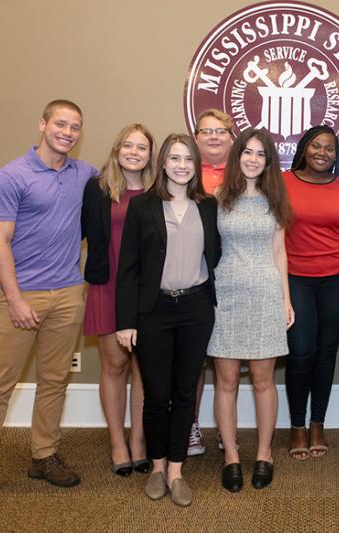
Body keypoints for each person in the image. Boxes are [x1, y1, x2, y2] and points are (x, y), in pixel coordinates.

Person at [0, 100, 98, 517]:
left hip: (69, 293)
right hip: (20, 296)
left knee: (55, 381)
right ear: (43, 124)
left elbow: (120, 179)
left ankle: (44, 455)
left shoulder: (83, 174)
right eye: (60, 124)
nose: (67, 132)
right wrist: (14, 298)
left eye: (75, 127)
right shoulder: (9, 177)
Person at [115, 133, 220, 507]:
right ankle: (157, 467)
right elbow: (128, 268)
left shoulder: (207, 206)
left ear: (196, 166)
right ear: (162, 163)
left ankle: (176, 471)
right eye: (174, 158)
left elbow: (217, 256)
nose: (181, 165)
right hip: (153, 312)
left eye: (188, 159)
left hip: (195, 311)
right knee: (157, 397)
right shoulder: (143, 206)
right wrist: (126, 321)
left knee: (184, 393)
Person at [208, 128, 294, 492]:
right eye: (247, 152)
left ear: (268, 161)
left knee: (263, 381)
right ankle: (230, 455)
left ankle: (263, 454)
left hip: (264, 292)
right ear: (237, 155)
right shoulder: (216, 198)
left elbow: (279, 253)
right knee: (225, 382)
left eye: (261, 154)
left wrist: (286, 300)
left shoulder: (275, 201)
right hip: (224, 294)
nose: (253, 159)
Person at [82, 124, 156, 477]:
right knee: (114, 365)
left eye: (141, 147)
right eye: (128, 145)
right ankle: (117, 443)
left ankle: (139, 441)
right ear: (117, 149)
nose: (133, 152)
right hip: (108, 284)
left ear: (149, 155)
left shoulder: (159, 191)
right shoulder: (98, 189)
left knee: (144, 368)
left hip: (148, 289)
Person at [283, 125, 339, 460]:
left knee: (326, 352)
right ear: (304, 148)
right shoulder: (283, 182)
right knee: (300, 352)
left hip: (338, 277)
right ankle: (297, 425)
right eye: (316, 146)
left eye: (329, 148)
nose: (322, 153)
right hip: (294, 277)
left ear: (336, 154)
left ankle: (318, 424)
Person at [188, 108, 236, 456]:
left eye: (221, 131)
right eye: (207, 131)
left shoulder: (243, 174)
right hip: (193, 276)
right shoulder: (184, 174)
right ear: (196, 137)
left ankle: (225, 428)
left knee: (225, 356)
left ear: (232, 137)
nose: (214, 137)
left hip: (232, 277)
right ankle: (190, 425)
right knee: (194, 358)